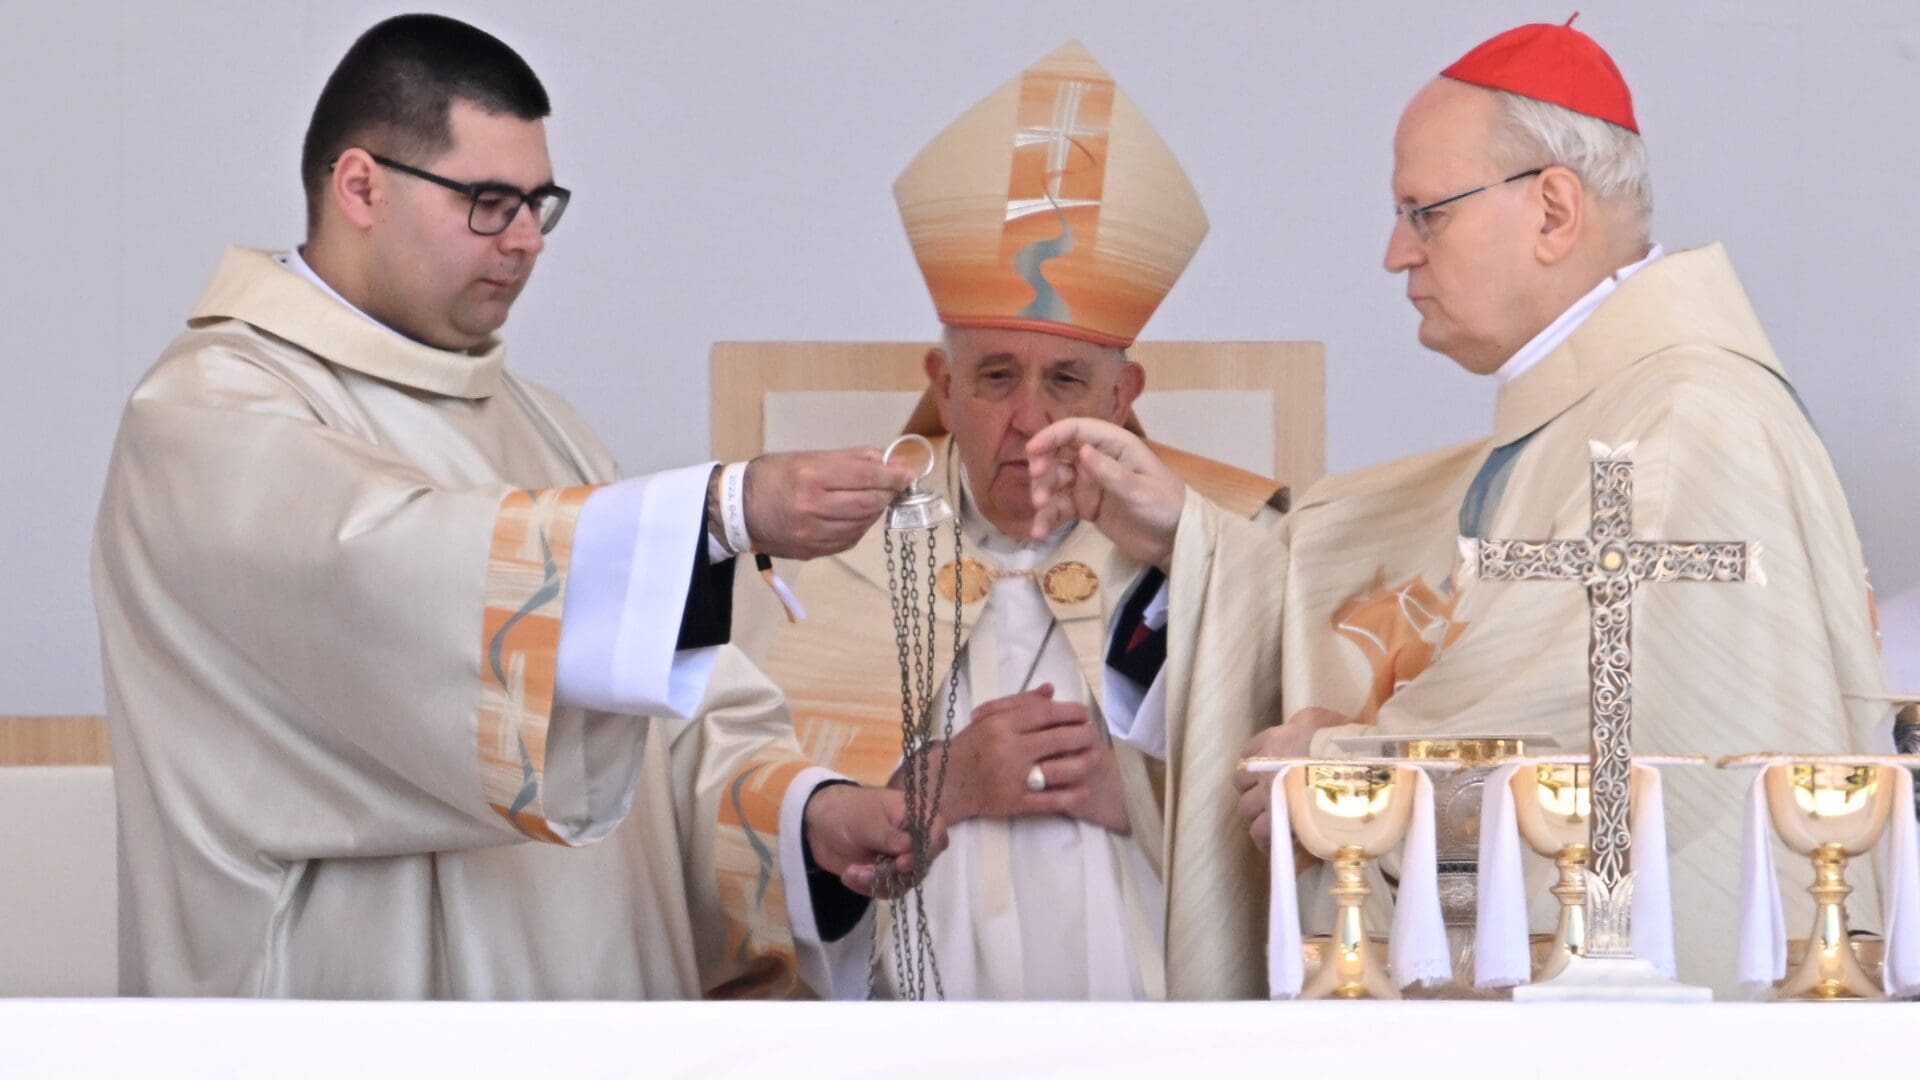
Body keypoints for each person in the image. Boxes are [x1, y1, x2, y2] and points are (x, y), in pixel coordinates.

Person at [1026, 18, 1888, 994]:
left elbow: (1594, 690)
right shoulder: (1582, 427)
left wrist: (1348, 763)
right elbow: (1377, 584)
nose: (1397, 254)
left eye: (1423, 212)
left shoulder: (1692, 418)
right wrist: (1189, 545)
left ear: (1553, 211)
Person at [92, 13, 928, 1000]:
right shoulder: (208, 414)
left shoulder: (549, 430)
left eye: (540, 203)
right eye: (490, 202)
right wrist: (720, 512)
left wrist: (809, 813)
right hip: (362, 1015)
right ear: (360, 185)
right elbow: (382, 581)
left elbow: (666, 716)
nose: (527, 241)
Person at [714, 42, 1287, 1000]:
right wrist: (936, 785)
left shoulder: (1230, 547)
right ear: (941, 385)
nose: (1030, 419)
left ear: (1123, 389)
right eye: (993, 378)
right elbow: (726, 833)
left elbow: (1329, 811)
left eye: (1066, 379)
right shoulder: (823, 560)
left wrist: (1146, 799)